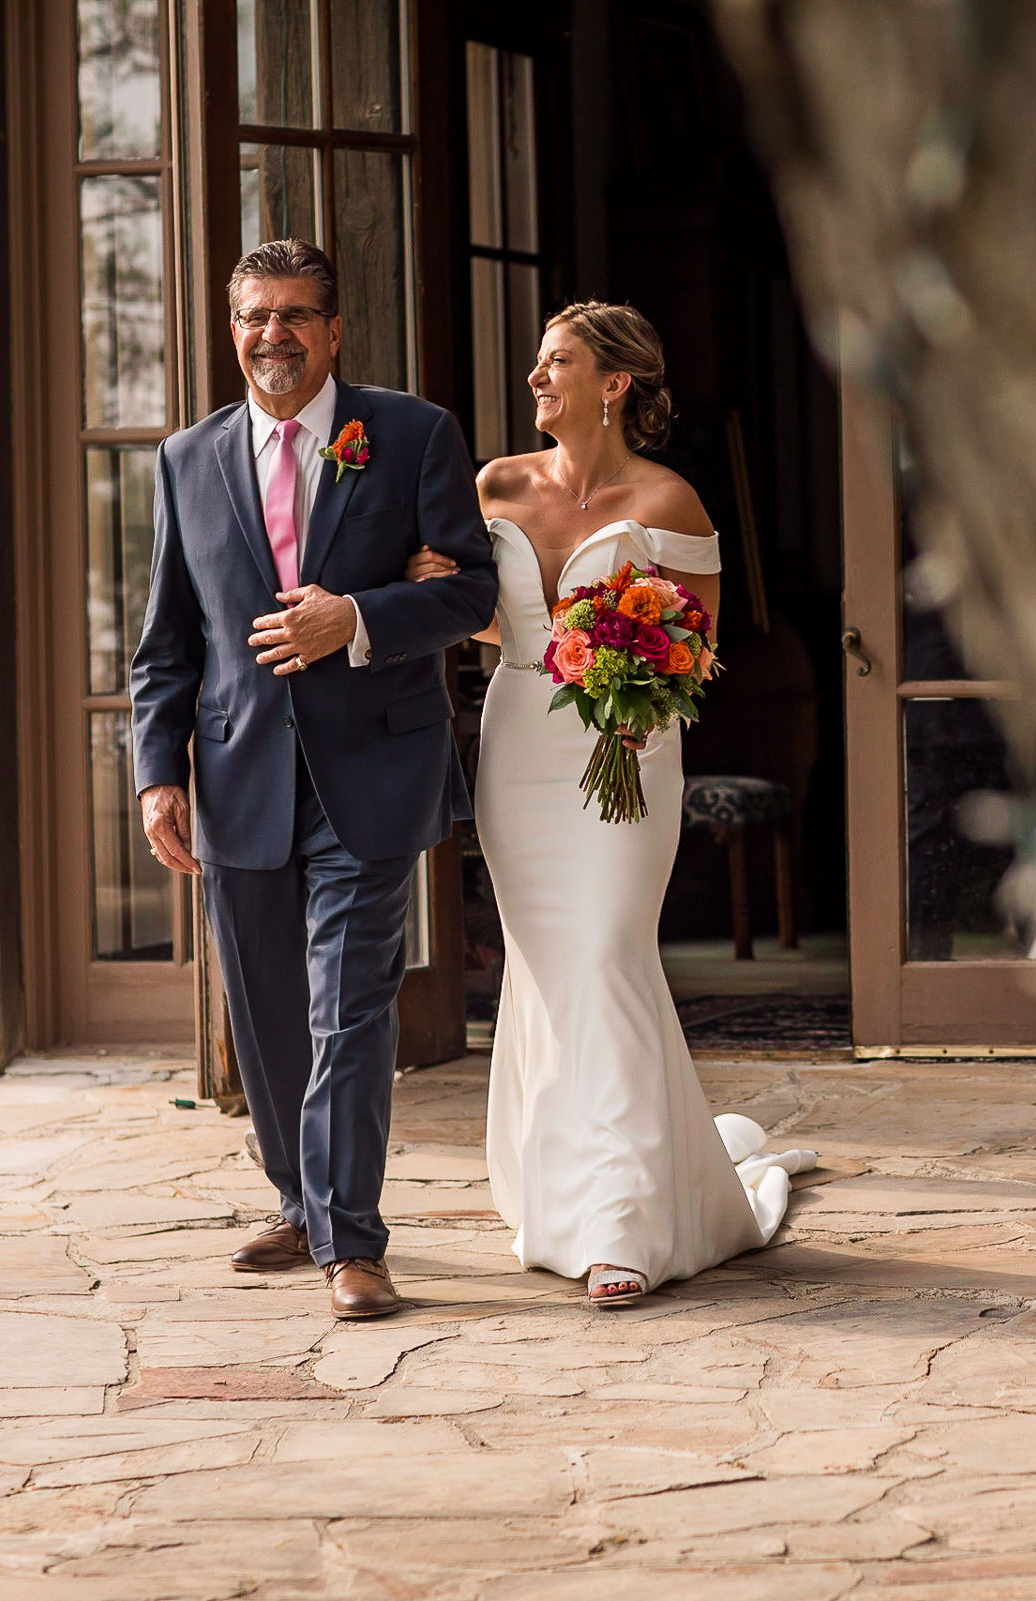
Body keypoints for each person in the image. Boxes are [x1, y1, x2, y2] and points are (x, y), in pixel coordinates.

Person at [409, 302, 814, 1308]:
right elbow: (469, 616)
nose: (537, 377)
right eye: (540, 361)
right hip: (520, 756)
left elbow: (701, 648)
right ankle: (569, 1190)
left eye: (558, 363)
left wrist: (638, 685)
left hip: (626, 751)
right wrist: (428, 583)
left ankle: (628, 1214)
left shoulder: (669, 501)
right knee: (554, 973)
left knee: (603, 954)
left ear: (614, 384)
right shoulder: (495, 484)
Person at [130, 239, 499, 1321]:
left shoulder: (411, 433)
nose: (273, 335)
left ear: (334, 331)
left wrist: (363, 616)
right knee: (267, 1015)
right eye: (255, 316)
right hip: (239, 772)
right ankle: (299, 1198)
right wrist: (159, 775)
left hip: (373, 769)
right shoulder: (186, 460)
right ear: (231, 327)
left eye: (295, 315)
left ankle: (351, 1240)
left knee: (349, 1009)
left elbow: (473, 590)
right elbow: (167, 643)